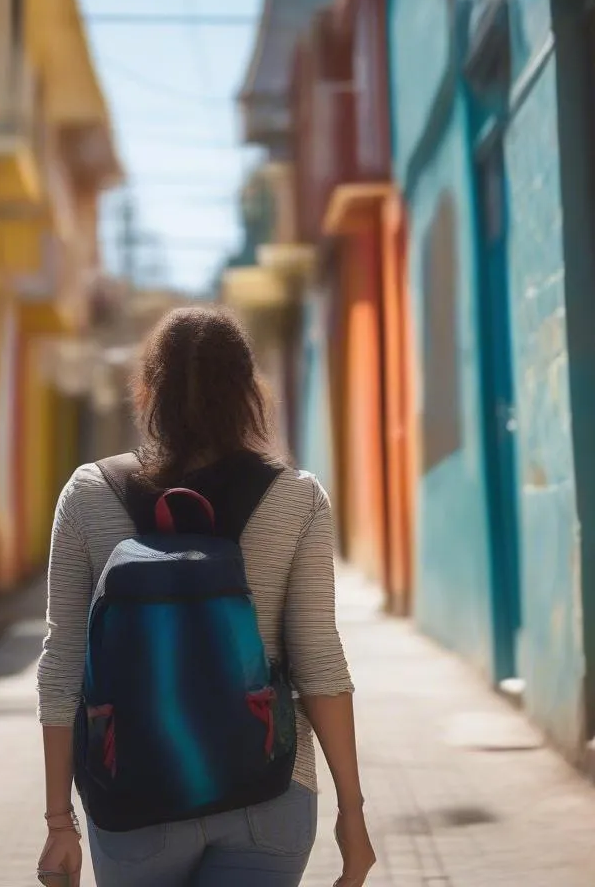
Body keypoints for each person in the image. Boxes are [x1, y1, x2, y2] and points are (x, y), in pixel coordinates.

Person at [37, 305, 376, 886]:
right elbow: (319, 657)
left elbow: (63, 662)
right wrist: (352, 809)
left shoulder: (88, 493)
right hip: (270, 786)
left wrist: (58, 821)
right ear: (249, 391)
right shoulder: (296, 499)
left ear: (147, 390)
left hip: (135, 792)